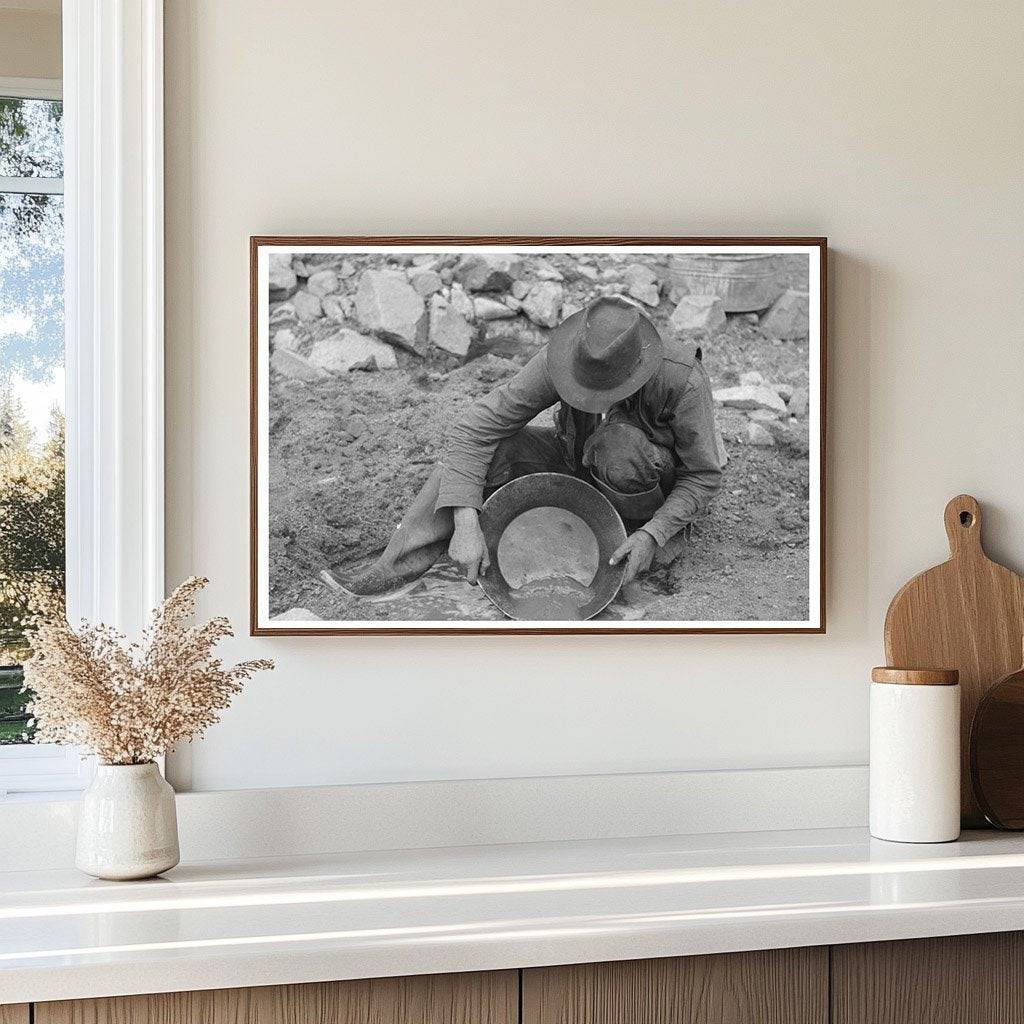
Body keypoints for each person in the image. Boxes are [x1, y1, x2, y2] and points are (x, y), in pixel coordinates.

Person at [347, 295, 723, 596]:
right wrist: (465, 522)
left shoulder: (682, 380)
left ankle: (619, 537)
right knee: (487, 454)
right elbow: (476, 428)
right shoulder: (567, 358)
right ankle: (398, 566)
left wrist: (652, 534)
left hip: (649, 487)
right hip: (576, 456)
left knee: (618, 446)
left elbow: (703, 478)